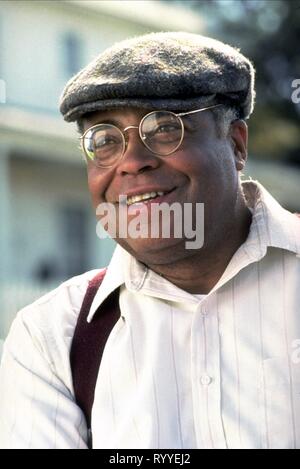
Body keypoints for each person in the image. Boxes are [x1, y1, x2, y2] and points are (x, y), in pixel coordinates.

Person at [0, 31, 299, 450]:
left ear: (235, 144)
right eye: (105, 141)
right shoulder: (51, 339)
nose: (133, 162)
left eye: (164, 129)